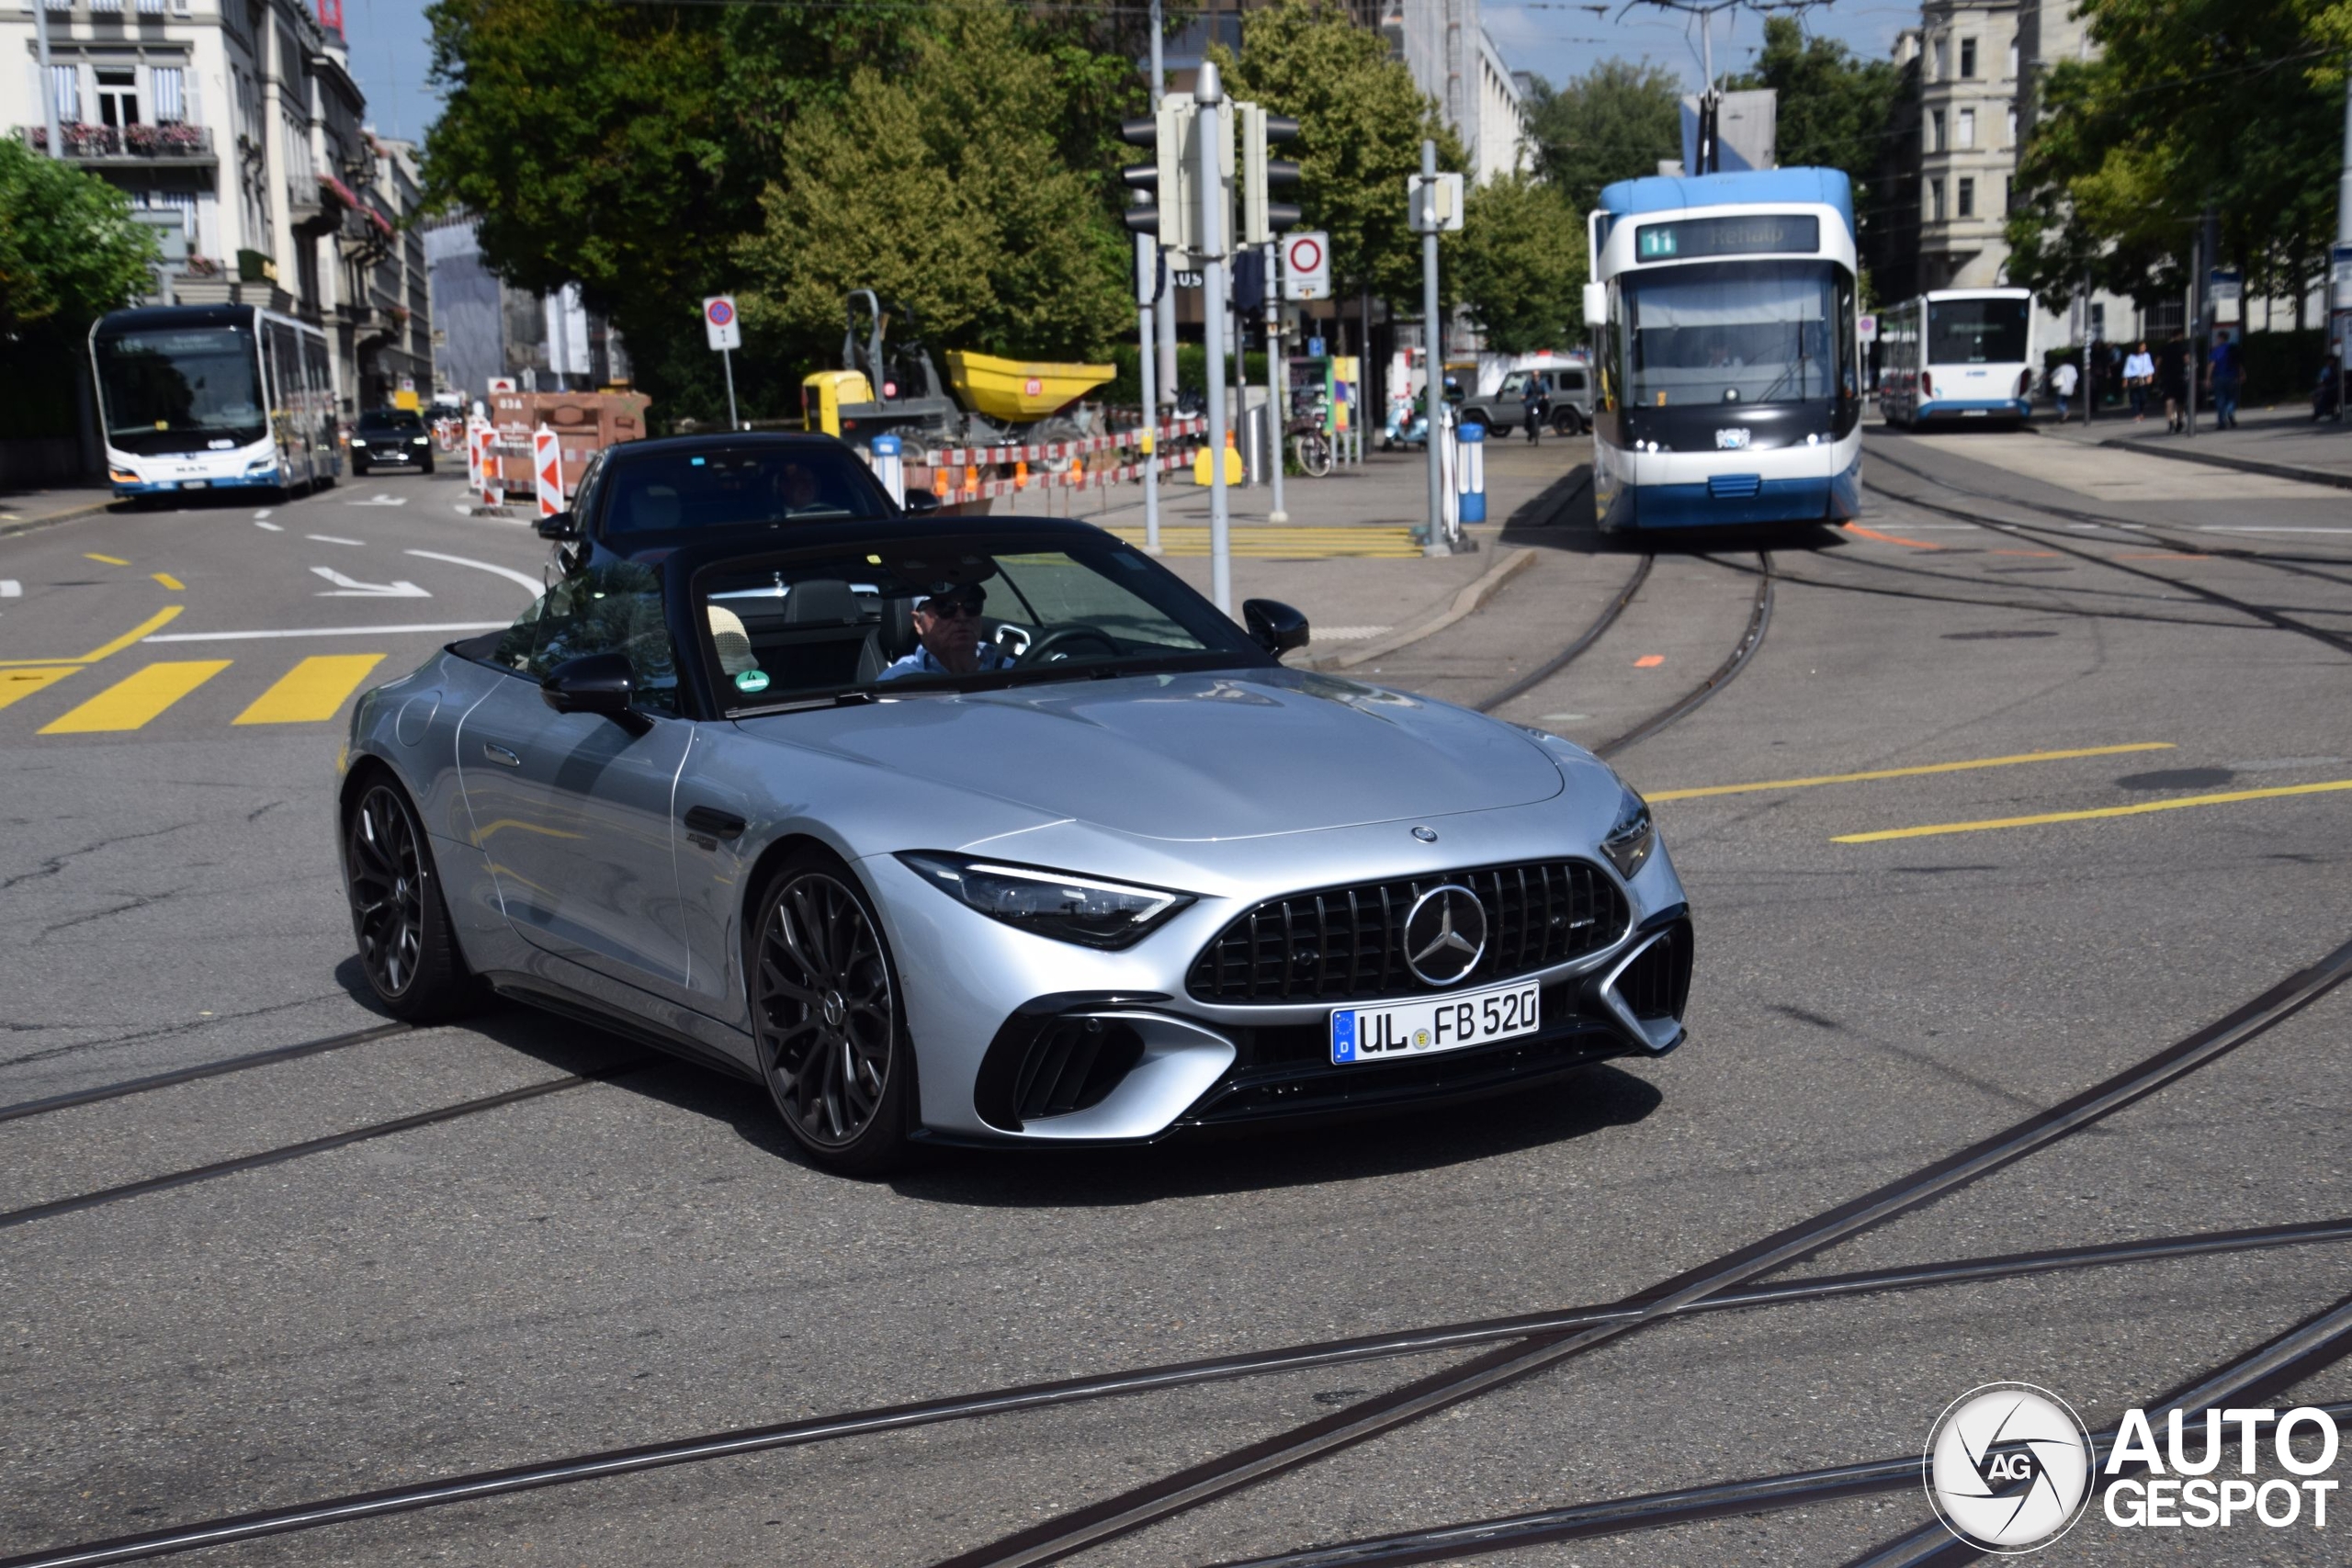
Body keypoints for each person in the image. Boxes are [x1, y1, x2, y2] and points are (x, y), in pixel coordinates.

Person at [877, 581, 1012, 681]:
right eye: (946, 607)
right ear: (918, 623)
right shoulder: (898, 681)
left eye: (971, 605)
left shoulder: (1009, 669)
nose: (962, 617)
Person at [2207, 330, 2244, 431]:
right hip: (2232, 377)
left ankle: (2221, 422)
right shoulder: (2232, 349)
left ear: (2220, 338)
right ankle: (2230, 411)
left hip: (2218, 377)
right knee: (2232, 398)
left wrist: (2208, 378)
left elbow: (2211, 365)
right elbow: (2238, 363)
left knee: (2220, 400)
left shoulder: (2216, 351)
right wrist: (2242, 374)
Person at [2158, 338, 2189, 434]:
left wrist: (2158, 374)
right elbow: (2187, 360)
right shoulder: (2182, 348)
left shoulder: (2164, 348)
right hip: (2179, 377)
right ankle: (2179, 421)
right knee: (2180, 401)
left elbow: (2157, 362)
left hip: (2167, 377)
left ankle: (2171, 423)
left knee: (2169, 400)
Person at [2122, 341, 2155, 421]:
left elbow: (2149, 365)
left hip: (2143, 378)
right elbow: (2127, 368)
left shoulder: (2146, 356)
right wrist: (2125, 379)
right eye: (2142, 346)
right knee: (2135, 397)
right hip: (2134, 378)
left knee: (2143, 397)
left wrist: (2150, 375)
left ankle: (2141, 411)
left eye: (2145, 346)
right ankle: (2136, 414)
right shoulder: (2131, 357)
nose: (2144, 348)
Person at [2051, 358, 2078, 423]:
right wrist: (2074, 387)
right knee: (2064, 402)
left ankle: (2065, 412)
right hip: (2070, 388)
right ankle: (2064, 416)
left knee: (2059, 404)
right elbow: (2075, 378)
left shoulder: (2060, 368)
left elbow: (2052, 375)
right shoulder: (2072, 368)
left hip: (2061, 388)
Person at [1521, 375, 1546, 444]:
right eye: (1534, 376)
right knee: (1528, 417)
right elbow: (1524, 391)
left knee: (1544, 413)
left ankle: (1541, 425)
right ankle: (1529, 431)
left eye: (1537, 376)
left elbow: (1547, 390)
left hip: (1539, 403)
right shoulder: (1528, 383)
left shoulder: (1542, 383)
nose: (1536, 377)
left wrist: (1546, 395)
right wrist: (1523, 395)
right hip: (1530, 403)